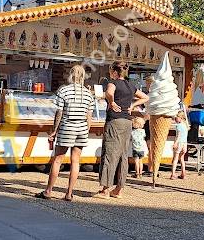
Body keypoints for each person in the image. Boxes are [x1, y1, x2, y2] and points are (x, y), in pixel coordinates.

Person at [36, 65, 95, 201]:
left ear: (71, 75)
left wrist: (54, 131)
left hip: (67, 128)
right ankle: (69, 193)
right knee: (76, 161)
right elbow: (89, 116)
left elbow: (59, 113)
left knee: (58, 160)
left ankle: (48, 191)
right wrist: (86, 130)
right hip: (82, 129)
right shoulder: (88, 94)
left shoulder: (64, 90)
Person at [96, 62, 148, 198]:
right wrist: (132, 105)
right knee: (123, 155)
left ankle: (105, 189)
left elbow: (109, 92)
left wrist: (112, 102)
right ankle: (119, 189)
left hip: (114, 121)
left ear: (114, 72)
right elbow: (145, 97)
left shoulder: (113, 83)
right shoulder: (130, 85)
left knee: (110, 153)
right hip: (127, 122)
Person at [171, 107, 189, 179]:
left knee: (175, 159)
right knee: (182, 159)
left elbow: (178, 136)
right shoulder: (186, 125)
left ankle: (173, 174)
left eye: (177, 117)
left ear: (181, 118)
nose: (175, 118)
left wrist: (175, 143)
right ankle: (183, 174)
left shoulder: (178, 126)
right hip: (185, 143)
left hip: (179, 143)